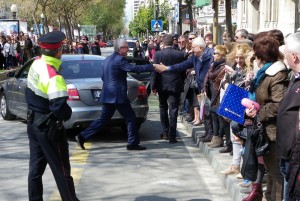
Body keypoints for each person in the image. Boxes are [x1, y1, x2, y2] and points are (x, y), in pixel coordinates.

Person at [75, 38, 163, 151]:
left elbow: (103, 77)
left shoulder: (107, 59)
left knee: (103, 119)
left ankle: (82, 136)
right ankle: (132, 143)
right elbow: (135, 68)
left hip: (108, 94)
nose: (128, 49)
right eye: (126, 47)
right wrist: (153, 66)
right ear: (121, 48)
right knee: (130, 118)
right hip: (117, 95)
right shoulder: (120, 60)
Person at [25, 31, 80, 201]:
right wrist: (67, 113)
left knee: (35, 169)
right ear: (58, 51)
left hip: (33, 123)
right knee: (62, 170)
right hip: (49, 128)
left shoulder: (36, 64)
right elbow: (59, 108)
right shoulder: (53, 75)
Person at [243, 35, 288, 201]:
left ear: (262, 55)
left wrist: (258, 112)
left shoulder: (278, 73)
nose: (254, 58)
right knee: (270, 169)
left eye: (255, 54)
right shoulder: (264, 72)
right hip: (265, 128)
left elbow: (278, 104)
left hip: (274, 131)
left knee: (276, 173)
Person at [151, 34, 186, 143]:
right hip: (175, 84)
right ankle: (172, 135)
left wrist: (153, 85)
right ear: (173, 42)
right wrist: (181, 80)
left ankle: (165, 132)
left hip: (162, 85)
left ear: (163, 43)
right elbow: (183, 71)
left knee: (163, 107)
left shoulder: (158, 54)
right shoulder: (180, 55)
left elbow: (155, 71)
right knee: (173, 109)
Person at [277, 32, 300, 201]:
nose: (283, 58)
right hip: (287, 151)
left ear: (294, 56)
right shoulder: (294, 76)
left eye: (285, 55)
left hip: (295, 154)